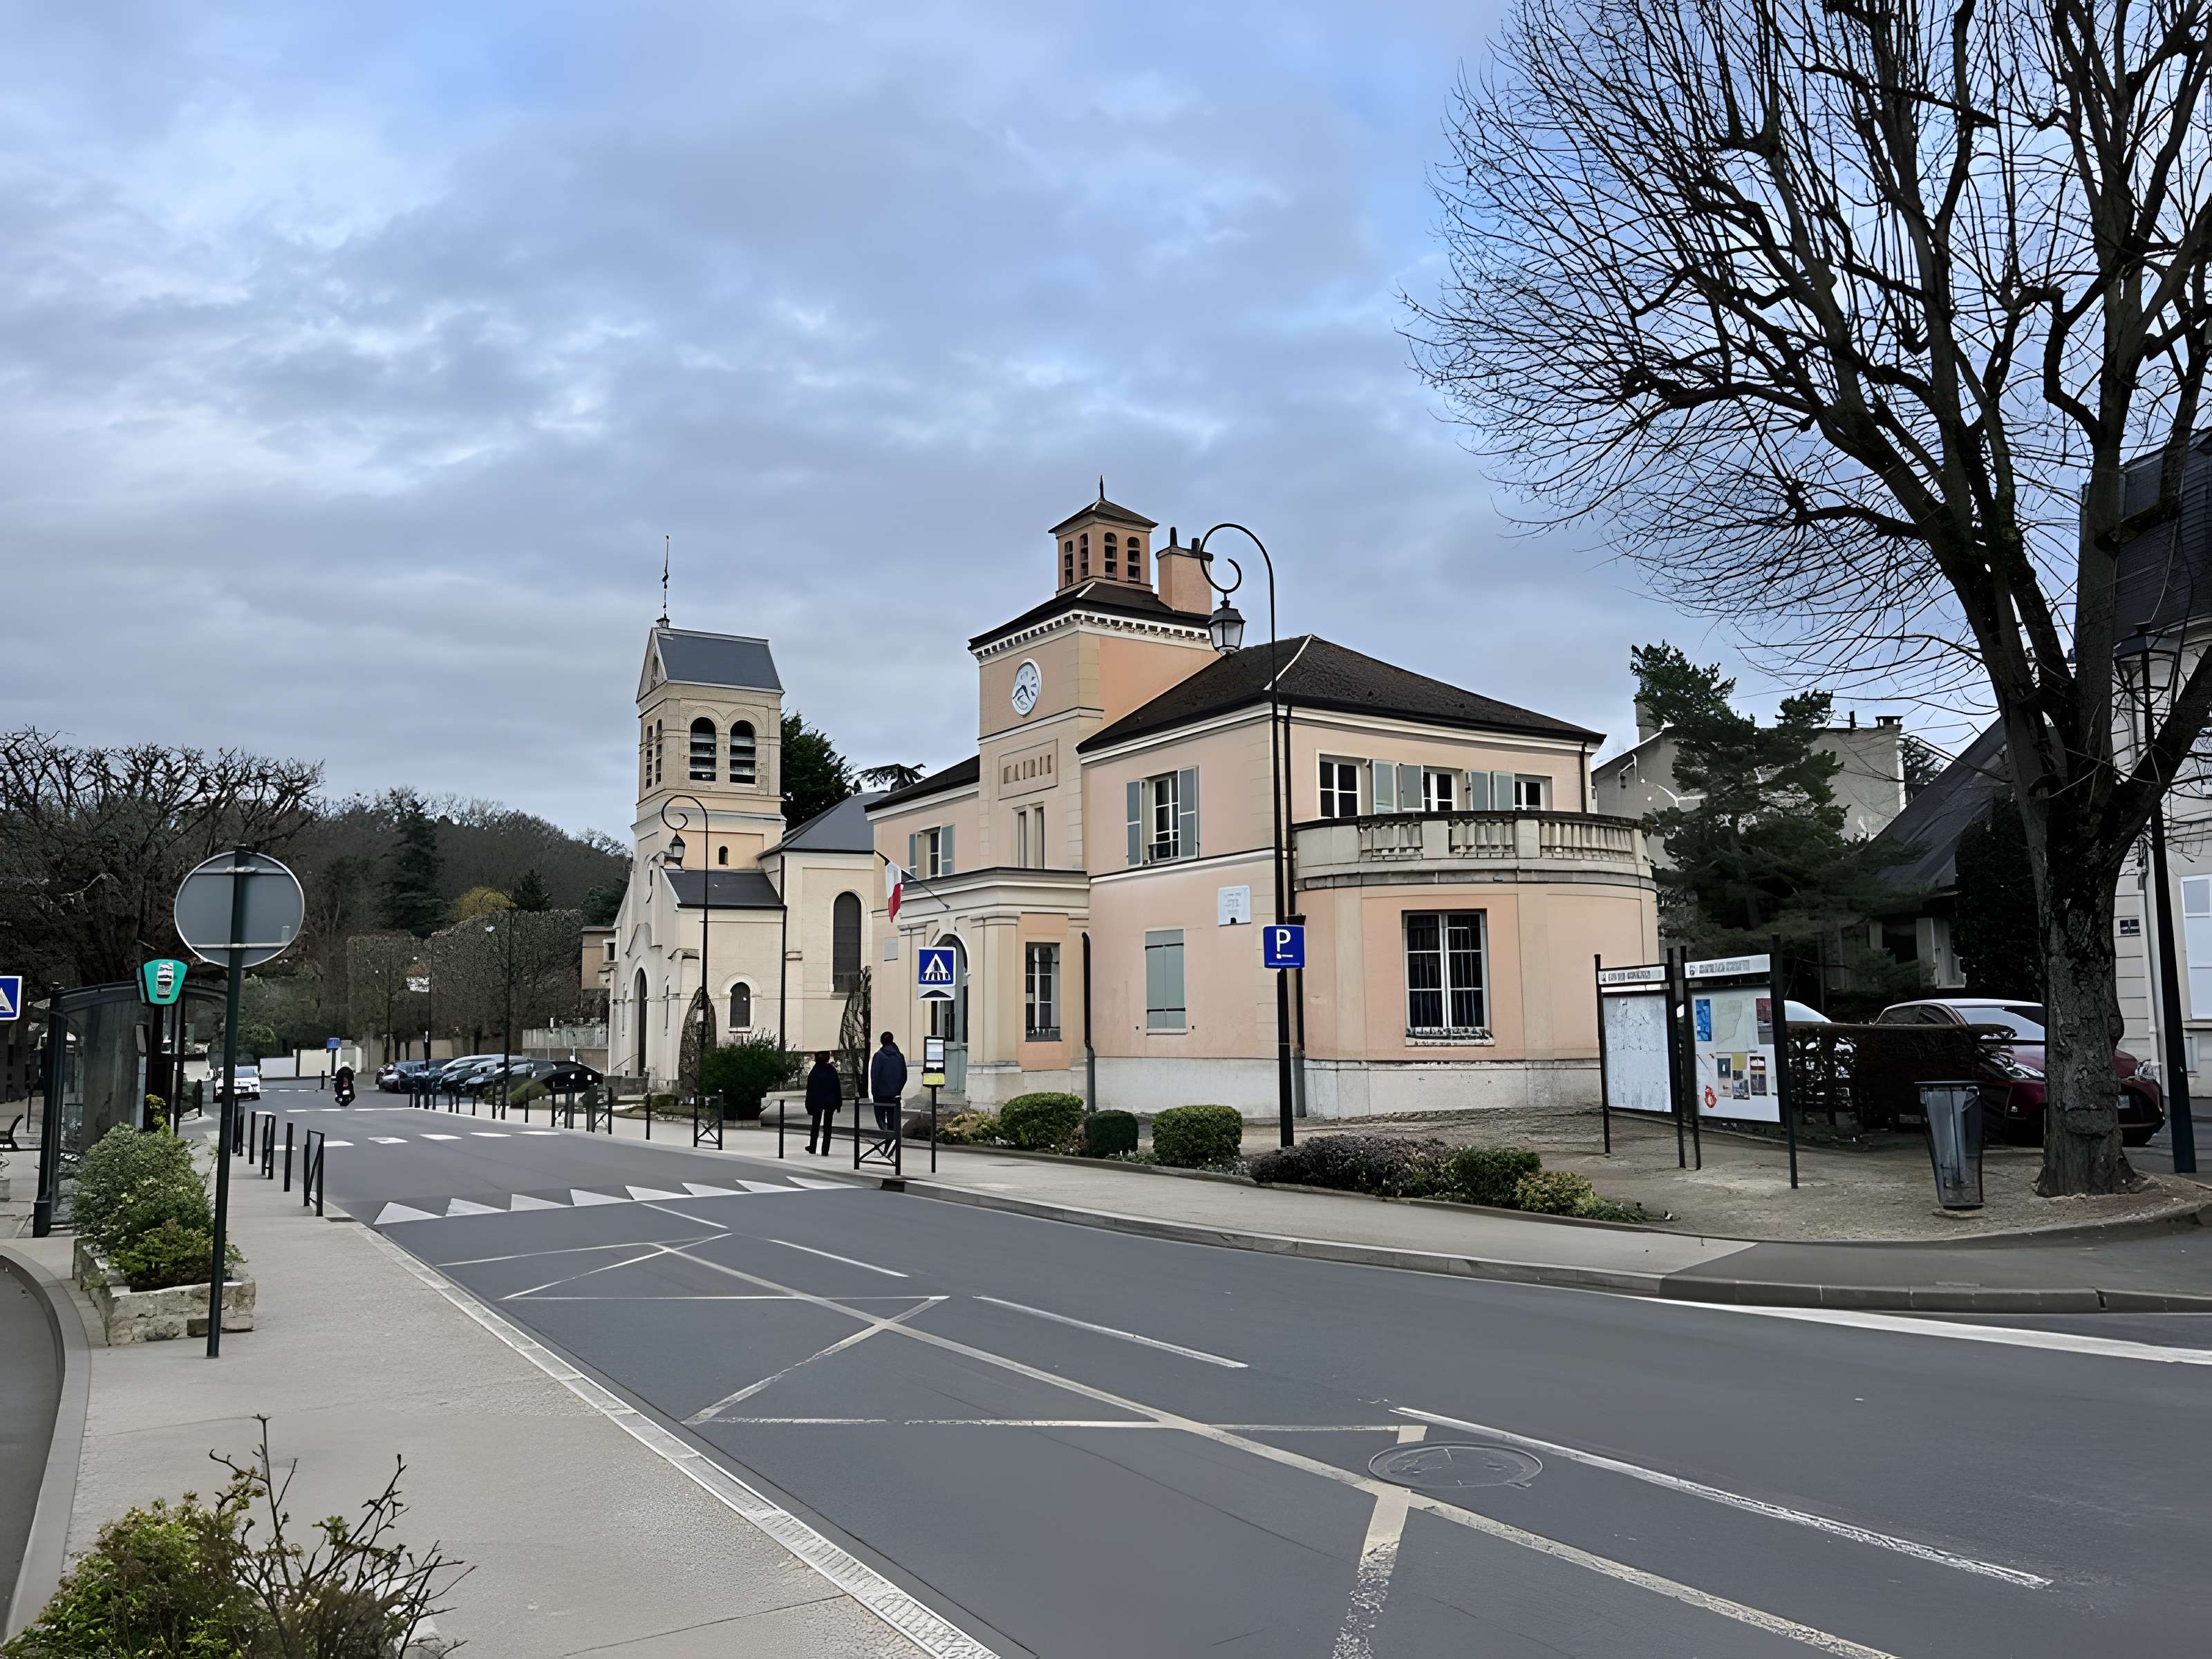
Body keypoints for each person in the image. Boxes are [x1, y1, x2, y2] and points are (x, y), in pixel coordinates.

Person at [868, 1031, 907, 1136]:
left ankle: (887, 1137)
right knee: (893, 1120)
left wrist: (874, 1093)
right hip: (895, 1095)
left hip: (880, 1095)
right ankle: (891, 1139)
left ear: (882, 1042)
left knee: (880, 1119)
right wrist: (898, 1090)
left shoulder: (878, 1056)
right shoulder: (900, 1056)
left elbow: (875, 1076)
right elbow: (904, 1076)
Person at [804, 1050, 841, 1155]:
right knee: (828, 1126)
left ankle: (813, 1147)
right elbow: (837, 1087)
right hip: (830, 1101)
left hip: (817, 1101)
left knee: (815, 1124)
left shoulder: (814, 1071)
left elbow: (810, 1090)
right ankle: (825, 1150)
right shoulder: (831, 1069)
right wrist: (838, 1103)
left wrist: (808, 1104)